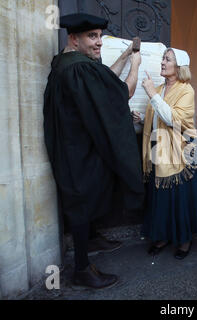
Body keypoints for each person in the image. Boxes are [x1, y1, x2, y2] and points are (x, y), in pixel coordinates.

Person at [43, 13, 144, 289]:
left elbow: (103, 81)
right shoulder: (80, 68)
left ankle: (92, 237)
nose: (99, 42)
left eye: (100, 36)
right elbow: (120, 92)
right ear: (73, 38)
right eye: (92, 36)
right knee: (81, 199)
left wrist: (124, 55)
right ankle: (82, 269)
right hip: (79, 150)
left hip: (72, 144)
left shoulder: (66, 63)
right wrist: (135, 64)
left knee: (90, 193)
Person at [138, 47, 197, 259]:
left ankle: (184, 240)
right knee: (162, 199)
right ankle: (162, 236)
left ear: (178, 67)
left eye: (167, 59)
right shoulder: (161, 88)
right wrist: (143, 120)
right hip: (159, 150)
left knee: (180, 199)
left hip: (181, 154)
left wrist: (152, 94)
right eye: (163, 58)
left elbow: (176, 120)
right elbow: (159, 118)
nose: (162, 62)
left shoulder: (186, 90)